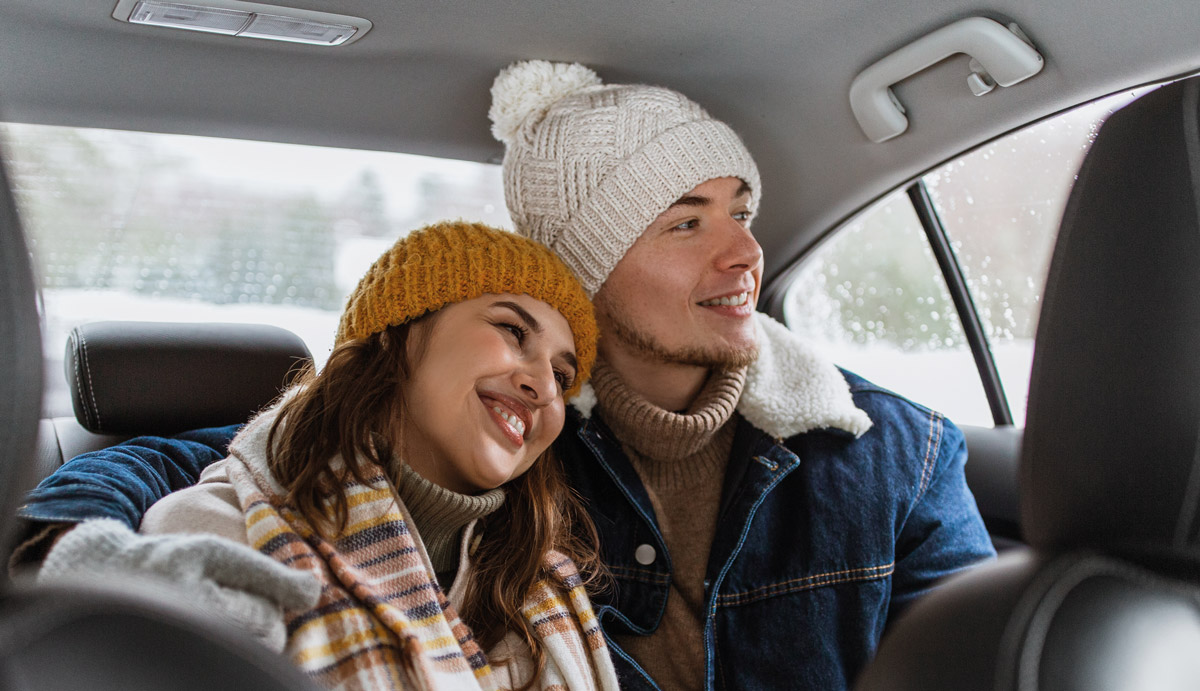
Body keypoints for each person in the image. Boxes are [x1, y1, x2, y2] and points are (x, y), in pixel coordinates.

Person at [14, 62, 996, 690]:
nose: (746, 253)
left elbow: (981, 665)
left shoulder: (896, 453)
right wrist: (77, 555)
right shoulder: (507, 439)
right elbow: (254, 456)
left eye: (742, 210)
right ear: (589, 267)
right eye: (687, 222)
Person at [35, 221, 619, 691]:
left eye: (562, 374)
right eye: (513, 331)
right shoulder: (222, 537)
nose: (544, 385)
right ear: (399, 334)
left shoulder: (539, 587)